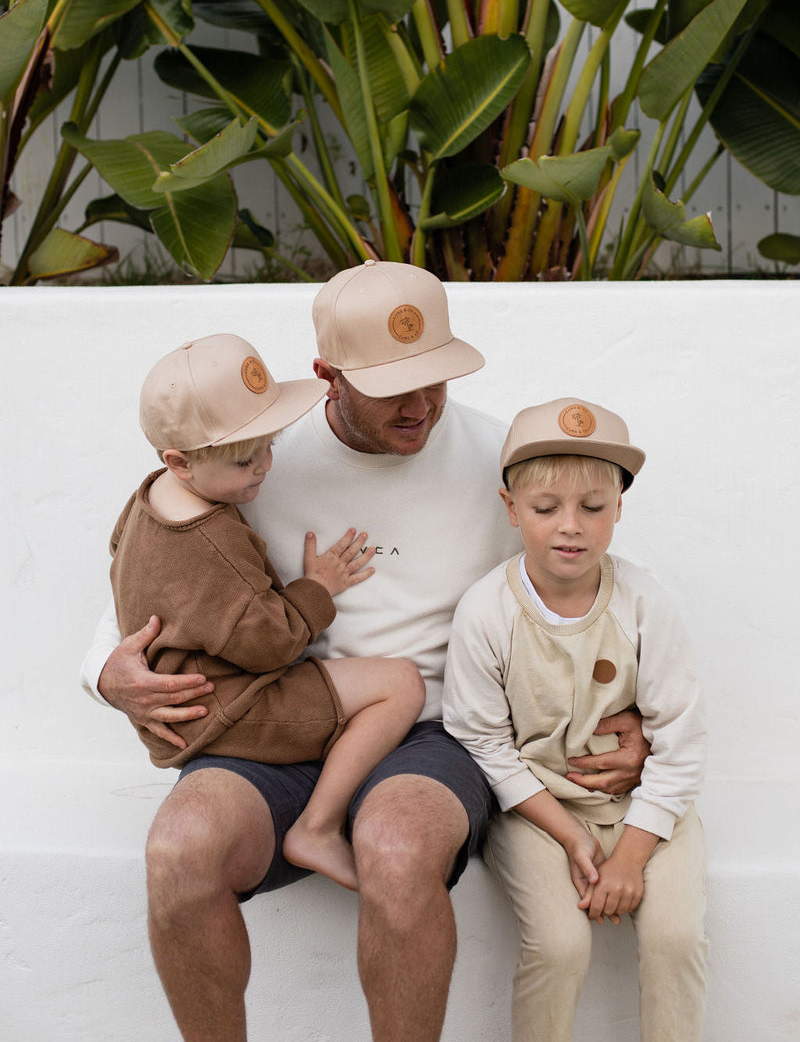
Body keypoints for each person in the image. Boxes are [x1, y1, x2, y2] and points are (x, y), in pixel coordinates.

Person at [82, 262, 650, 1042]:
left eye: (435, 379)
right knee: (181, 850)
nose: (421, 405)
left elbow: (590, 591)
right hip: (279, 721)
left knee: (396, 842)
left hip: (437, 732)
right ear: (327, 376)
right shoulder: (253, 460)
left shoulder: (505, 460)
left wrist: (632, 717)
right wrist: (109, 672)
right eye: (392, 387)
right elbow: (156, 582)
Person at [110, 332, 424, 890]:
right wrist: (317, 588)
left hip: (196, 702)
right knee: (400, 684)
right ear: (179, 462)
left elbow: (122, 564)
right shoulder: (213, 542)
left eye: (268, 447)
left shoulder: (148, 499)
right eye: (243, 461)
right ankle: (319, 826)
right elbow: (270, 644)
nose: (263, 468)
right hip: (232, 709)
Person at [443, 397, 708, 1041]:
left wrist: (630, 856)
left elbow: (681, 739)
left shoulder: (643, 600)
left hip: (647, 806)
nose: (572, 527)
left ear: (619, 508)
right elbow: (480, 737)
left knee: (675, 940)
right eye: (545, 508)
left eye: (594, 508)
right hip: (538, 812)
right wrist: (570, 835)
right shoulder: (486, 611)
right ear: (511, 509)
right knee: (560, 948)